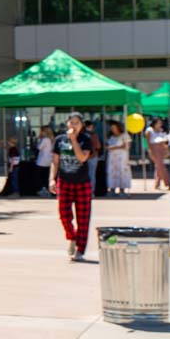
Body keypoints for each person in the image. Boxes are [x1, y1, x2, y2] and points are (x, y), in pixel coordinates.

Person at [50, 112, 93, 262]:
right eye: (71, 122)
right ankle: (72, 237)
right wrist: (52, 179)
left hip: (82, 182)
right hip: (65, 181)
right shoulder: (59, 140)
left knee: (83, 218)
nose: (73, 125)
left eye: (77, 123)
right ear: (67, 123)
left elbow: (82, 158)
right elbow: (55, 161)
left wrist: (74, 140)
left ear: (81, 125)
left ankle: (80, 250)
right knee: (63, 214)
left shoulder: (85, 139)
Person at [105, 121, 132, 195]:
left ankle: (122, 188)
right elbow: (107, 145)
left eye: (114, 128)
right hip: (112, 158)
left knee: (122, 172)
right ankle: (112, 188)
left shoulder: (124, 135)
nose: (113, 129)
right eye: (112, 128)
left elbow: (127, 146)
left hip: (121, 157)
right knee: (112, 172)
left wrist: (114, 147)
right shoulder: (111, 137)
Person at [147, 117, 170, 190]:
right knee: (161, 167)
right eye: (158, 123)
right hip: (154, 148)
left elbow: (164, 140)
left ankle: (157, 184)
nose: (160, 124)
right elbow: (149, 142)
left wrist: (166, 149)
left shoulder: (160, 130)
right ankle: (168, 183)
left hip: (161, 148)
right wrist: (151, 151)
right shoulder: (149, 130)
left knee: (158, 167)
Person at [35, 125, 55, 197]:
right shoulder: (52, 139)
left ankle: (42, 190)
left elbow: (39, 147)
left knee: (40, 177)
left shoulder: (45, 139)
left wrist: (39, 139)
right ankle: (47, 189)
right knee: (47, 176)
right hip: (49, 160)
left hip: (42, 161)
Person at [85, 120, 104, 193]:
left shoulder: (81, 135)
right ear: (91, 126)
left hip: (83, 157)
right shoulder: (94, 135)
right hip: (93, 156)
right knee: (92, 174)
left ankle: (84, 190)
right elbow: (98, 146)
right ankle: (91, 191)